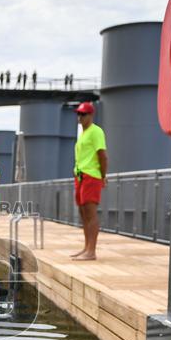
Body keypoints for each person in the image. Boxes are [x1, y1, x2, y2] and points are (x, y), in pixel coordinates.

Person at [70, 102, 108, 261]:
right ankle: (86, 247)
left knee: (91, 213)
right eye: (78, 114)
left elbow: (102, 155)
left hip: (91, 175)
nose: (80, 117)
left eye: (83, 114)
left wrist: (102, 175)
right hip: (80, 176)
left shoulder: (96, 131)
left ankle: (91, 251)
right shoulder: (83, 134)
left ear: (91, 115)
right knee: (83, 213)